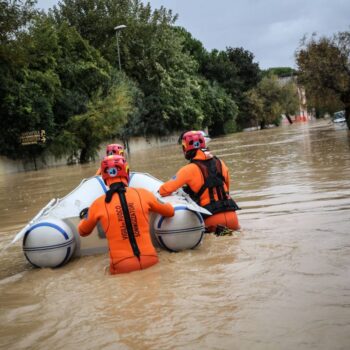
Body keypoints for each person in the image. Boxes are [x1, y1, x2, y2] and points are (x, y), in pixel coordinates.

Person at [79, 155, 175, 274]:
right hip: (150, 260)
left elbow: (83, 231)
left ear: (103, 177)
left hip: (121, 266)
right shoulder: (144, 194)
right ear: (127, 171)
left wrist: (86, 215)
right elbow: (170, 211)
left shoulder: (98, 204)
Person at [159, 130, 240, 233]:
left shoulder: (188, 169)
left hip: (212, 221)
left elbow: (164, 190)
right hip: (232, 217)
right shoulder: (221, 163)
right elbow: (227, 189)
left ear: (185, 149)